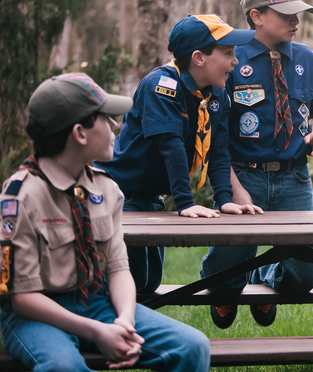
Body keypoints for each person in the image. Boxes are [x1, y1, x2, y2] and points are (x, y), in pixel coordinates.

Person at [0, 73, 210, 372]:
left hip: (97, 304)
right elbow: (21, 298)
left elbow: (118, 269)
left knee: (192, 347)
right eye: (105, 118)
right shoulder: (21, 196)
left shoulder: (106, 189)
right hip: (36, 314)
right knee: (64, 367)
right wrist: (97, 331)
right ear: (80, 133)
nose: (115, 126)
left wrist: (123, 319)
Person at [200, 0, 313, 329]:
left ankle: (263, 277)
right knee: (225, 267)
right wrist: (232, 188)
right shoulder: (231, 59)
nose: (296, 21)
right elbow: (216, 135)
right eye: (286, 14)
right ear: (256, 16)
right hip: (243, 174)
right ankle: (226, 288)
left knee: (304, 276)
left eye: (298, 14)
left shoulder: (306, 58)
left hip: (294, 177)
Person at [95, 14, 262, 293]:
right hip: (120, 194)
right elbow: (170, 146)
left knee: (150, 282)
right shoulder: (161, 86)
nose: (236, 61)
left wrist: (223, 199)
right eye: (228, 53)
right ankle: (112, 333)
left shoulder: (216, 93)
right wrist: (185, 203)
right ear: (199, 58)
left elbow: (219, 151)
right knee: (131, 284)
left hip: (152, 197)